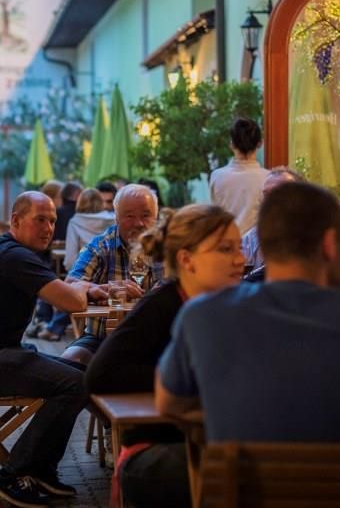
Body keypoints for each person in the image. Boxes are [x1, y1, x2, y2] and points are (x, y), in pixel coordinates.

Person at [156, 182, 340, 444]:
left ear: (263, 244)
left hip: (247, 494)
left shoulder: (203, 316)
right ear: (330, 244)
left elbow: (169, 404)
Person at [0, 191, 107, 507]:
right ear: (16, 221)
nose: (48, 228)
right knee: (76, 383)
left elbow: (65, 290)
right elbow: (71, 302)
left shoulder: (11, 250)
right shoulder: (14, 256)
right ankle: (14, 474)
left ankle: (42, 470)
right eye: (40, 220)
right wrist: (85, 287)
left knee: (81, 375)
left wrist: (89, 288)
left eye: (53, 220)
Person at [86, 204, 245, 508]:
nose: (241, 259)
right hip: (158, 448)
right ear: (187, 260)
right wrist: (183, 378)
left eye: (239, 248)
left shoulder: (229, 303)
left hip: (210, 437)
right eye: (226, 249)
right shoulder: (161, 304)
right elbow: (98, 375)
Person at [49, 184, 155, 361]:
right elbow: (69, 287)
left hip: (157, 336)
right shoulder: (100, 246)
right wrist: (100, 288)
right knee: (70, 359)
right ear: (116, 218)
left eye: (146, 215)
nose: (139, 223)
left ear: (156, 217)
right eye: (129, 216)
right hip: (102, 338)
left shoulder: (169, 248)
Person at [31, 188, 114, 341]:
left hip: (86, 275)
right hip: (111, 277)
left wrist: (73, 276)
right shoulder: (112, 219)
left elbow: (70, 259)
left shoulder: (75, 221)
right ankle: (53, 327)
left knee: (71, 287)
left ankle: (53, 327)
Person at [209, 117, 269, 235]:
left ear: (232, 144)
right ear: (260, 143)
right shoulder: (268, 178)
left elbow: (215, 217)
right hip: (257, 249)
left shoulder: (217, 176)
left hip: (226, 245)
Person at [239, 166, 303, 271]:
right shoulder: (250, 240)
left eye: (278, 193)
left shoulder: (313, 236)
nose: (269, 200)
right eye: (266, 194)